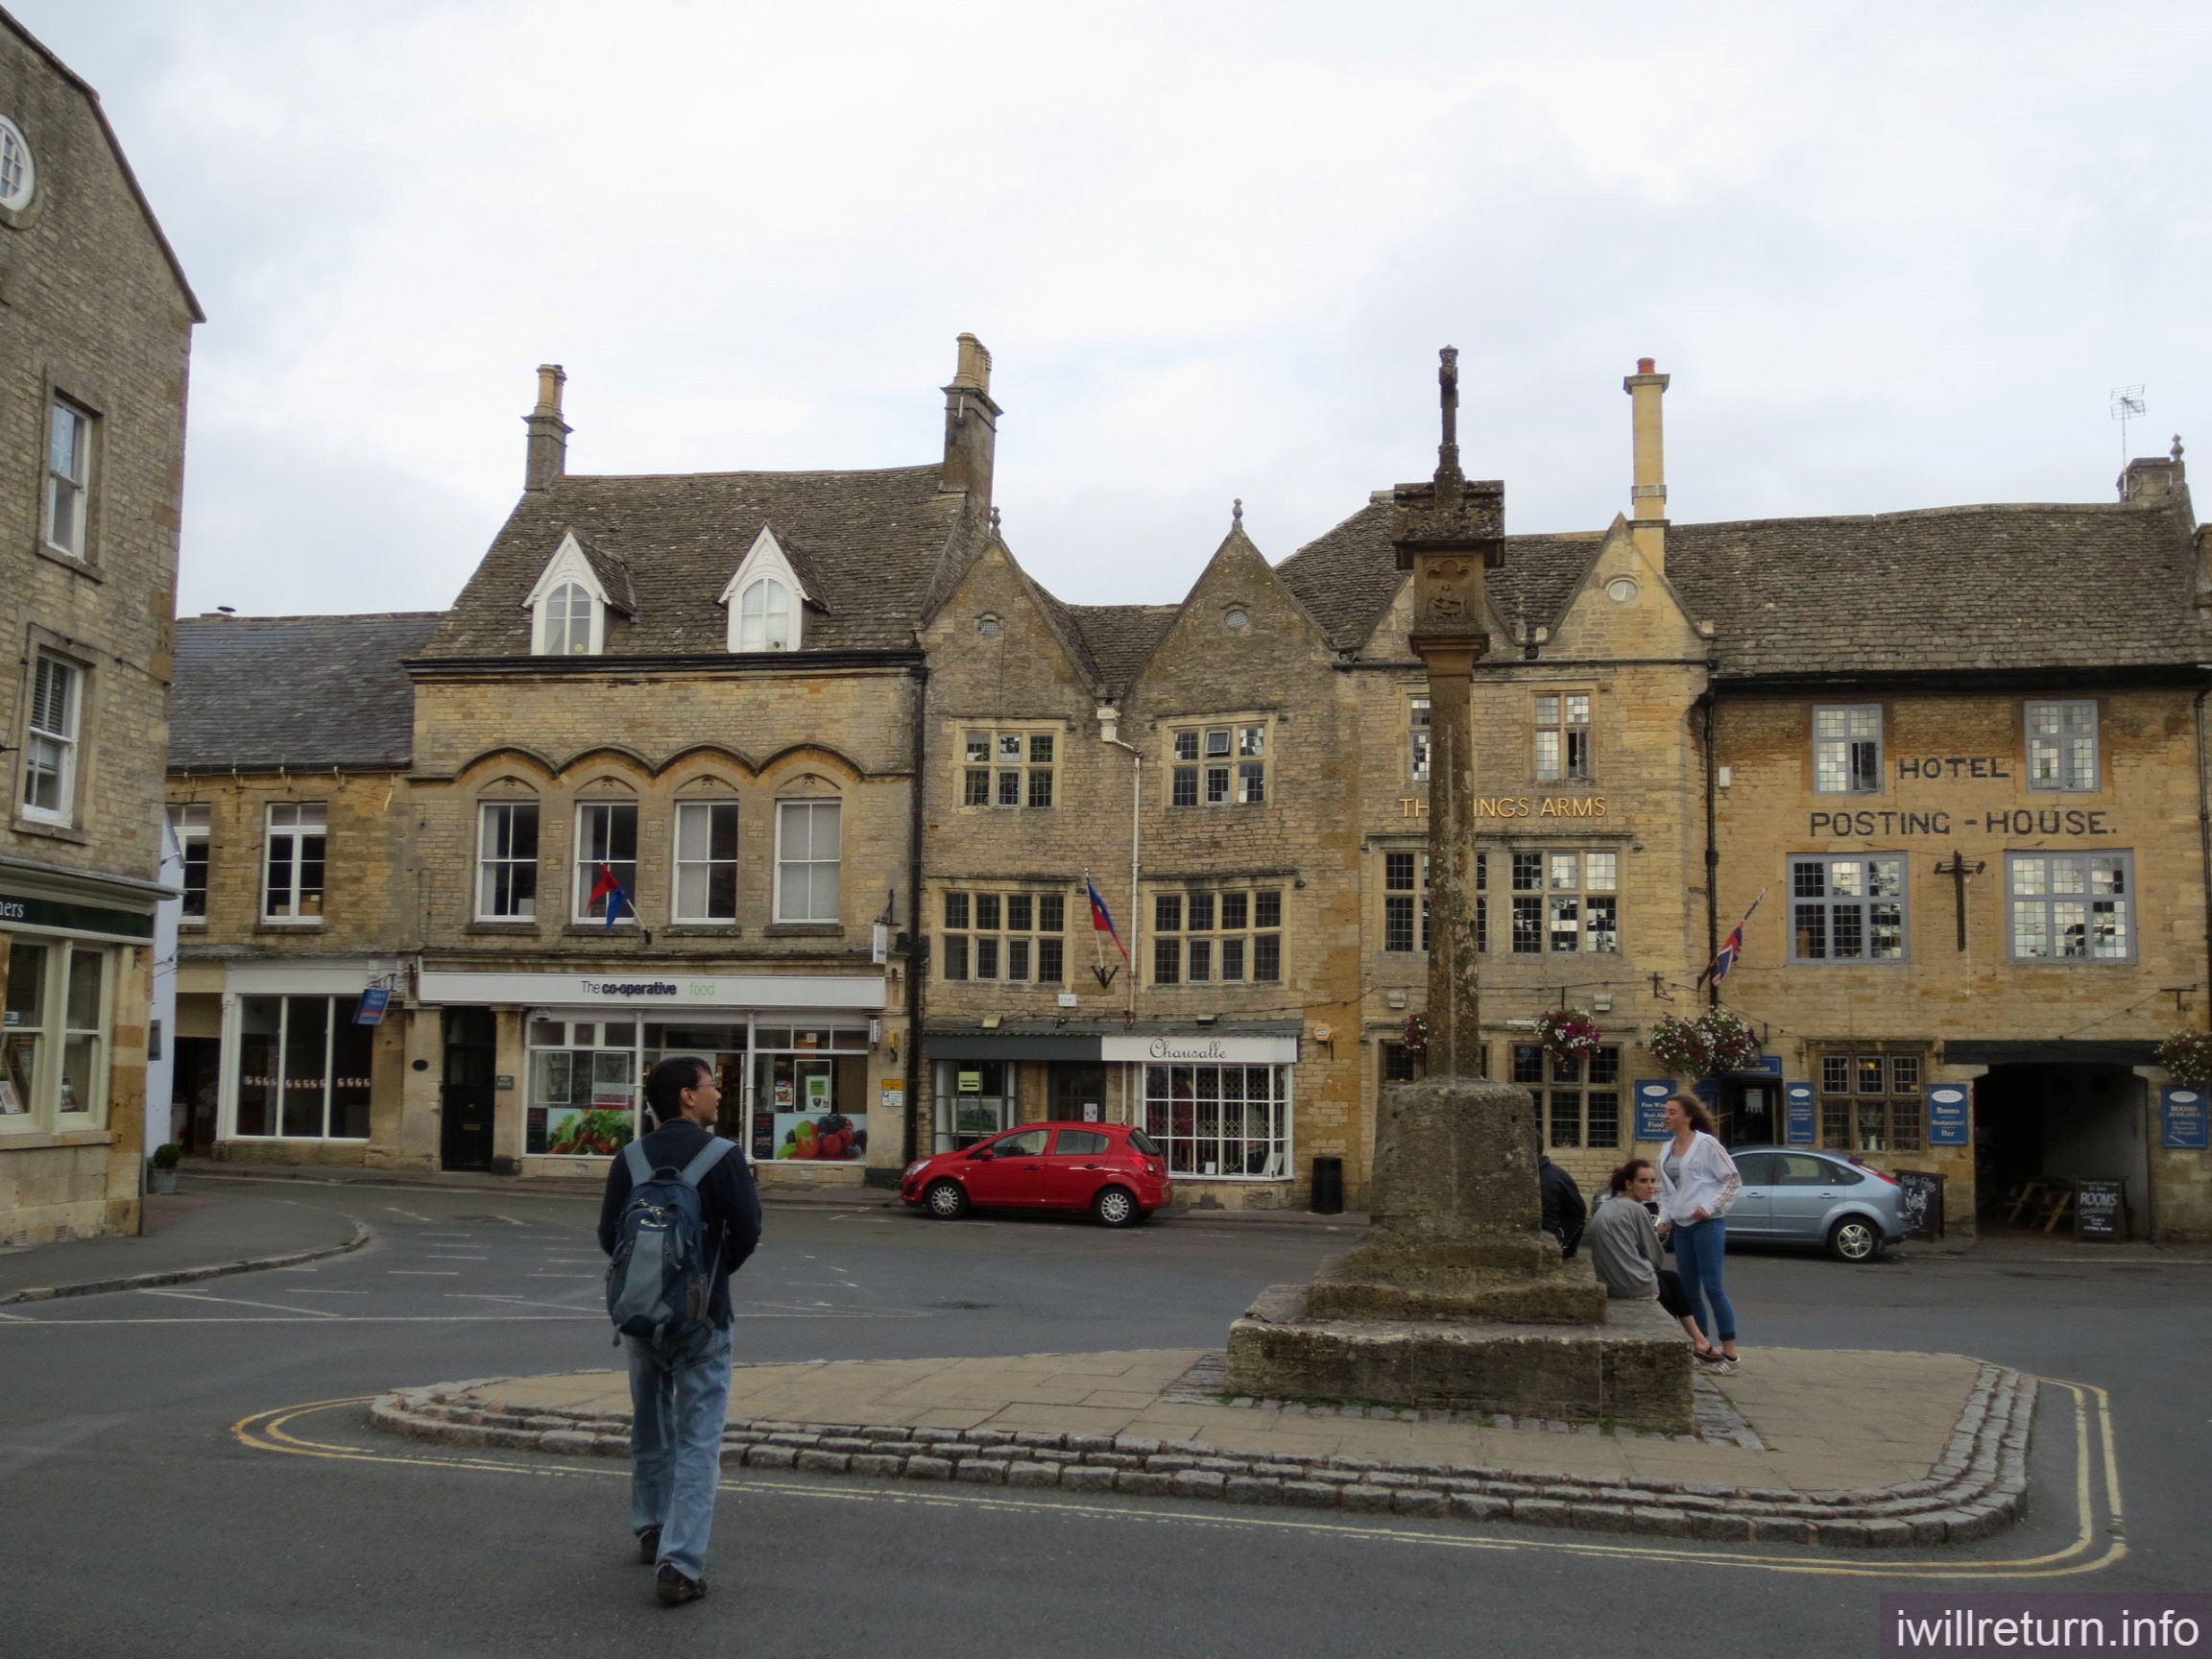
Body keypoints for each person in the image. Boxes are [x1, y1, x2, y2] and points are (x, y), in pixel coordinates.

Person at [597, 1055, 762, 1604]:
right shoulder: (724, 1156)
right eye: (711, 1086)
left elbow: (608, 1236)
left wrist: (656, 1283)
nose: (719, 1094)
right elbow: (747, 1232)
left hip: (641, 1317)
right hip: (704, 1320)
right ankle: (680, 1564)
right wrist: (704, 1279)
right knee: (697, 1441)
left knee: (650, 1426)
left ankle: (651, 1530)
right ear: (687, 1098)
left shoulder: (631, 1156)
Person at [1587, 1158, 1715, 1357]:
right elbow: (1656, 1257)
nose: (1651, 1187)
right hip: (1633, 1284)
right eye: (1643, 1181)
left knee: (1672, 1279)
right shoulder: (1637, 1210)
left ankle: (1699, 1341)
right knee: (1671, 1289)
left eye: (1653, 1181)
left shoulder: (1607, 1206)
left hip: (1609, 1280)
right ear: (1629, 1184)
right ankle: (1691, 1344)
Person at [1655, 1093, 1741, 1372]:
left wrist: (1709, 1206)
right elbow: (1665, 1191)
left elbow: (1732, 1180)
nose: (1666, 1116)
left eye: (1671, 1112)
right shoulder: (1666, 1149)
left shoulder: (1706, 1145)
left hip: (1707, 1224)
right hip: (1682, 1228)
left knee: (1713, 1286)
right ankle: (1701, 1345)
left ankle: (1730, 1351)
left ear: (1688, 1117)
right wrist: (1665, 1218)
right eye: (1665, 1111)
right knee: (1689, 1290)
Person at [1537, 1154, 1587, 1259]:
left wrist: (1563, 1242)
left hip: (1552, 1244)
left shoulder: (1555, 1176)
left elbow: (1578, 1212)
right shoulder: (1557, 1174)